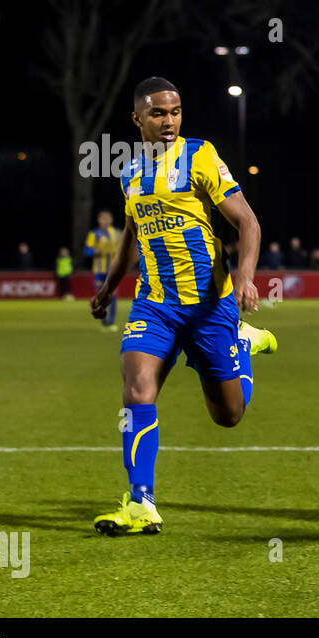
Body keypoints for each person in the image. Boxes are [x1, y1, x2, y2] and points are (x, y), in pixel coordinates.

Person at [89, 76, 278, 536]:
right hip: (154, 305)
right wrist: (110, 287)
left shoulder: (201, 155)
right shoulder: (129, 171)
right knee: (137, 387)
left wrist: (246, 279)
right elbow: (132, 237)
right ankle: (141, 503)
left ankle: (242, 345)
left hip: (210, 306)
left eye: (174, 111)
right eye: (158, 113)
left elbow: (248, 223)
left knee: (228, 416)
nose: (169, 121)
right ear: (137, 119)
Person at [85, 210, 121, 329]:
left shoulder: (117, 233)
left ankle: (111, 321)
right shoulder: (94, 234)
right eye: (103, 218)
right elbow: (87, 251)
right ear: (99, 220)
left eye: (107, 218)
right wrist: (95, 251)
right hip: (99, 270)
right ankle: (104, 321)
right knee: (101, 295)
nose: (105, 221)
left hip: (113, 270)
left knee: (113, 294)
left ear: (111, 220)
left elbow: (123, 249)